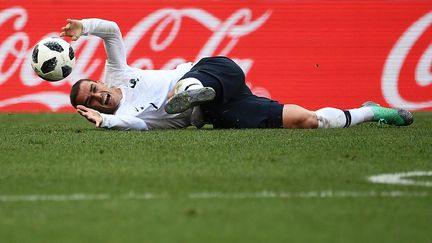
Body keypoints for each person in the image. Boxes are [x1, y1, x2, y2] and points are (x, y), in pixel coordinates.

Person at [62, 18, 413, 131]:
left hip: (215, 70)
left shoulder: (118, 73)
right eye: (91, 102)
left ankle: (190, 93)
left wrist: (84, 27)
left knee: (185, 90)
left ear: (101, 80)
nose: (97, 97)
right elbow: (135, 125)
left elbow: (112, 31)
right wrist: (106, 123)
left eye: (93, 88)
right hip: (223, 108)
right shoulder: (124, 117)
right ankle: (372, 111)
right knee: (308, 121)